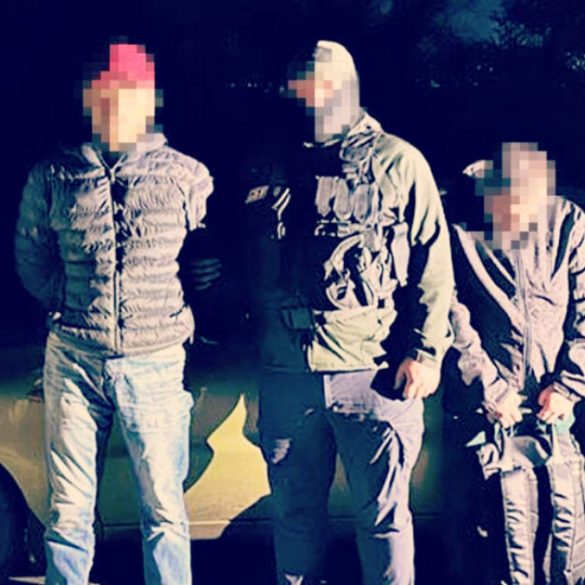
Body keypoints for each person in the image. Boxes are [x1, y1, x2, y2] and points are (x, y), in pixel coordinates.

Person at [243, 40, 453, 585]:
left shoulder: (399, 162)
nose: (313, 96)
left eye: (325, 85)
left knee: (384, 521)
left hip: (374, 375)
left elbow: (434, 265)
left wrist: (426, 352)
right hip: (287, 375)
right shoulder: (268, 163)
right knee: (294, 520)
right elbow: (244, 264)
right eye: (304, 86)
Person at [14, 42, 213, 585]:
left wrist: (191, 297)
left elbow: (210, 259)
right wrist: (68, 302)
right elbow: (31, 255)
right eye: (103, 93)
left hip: (156, 361)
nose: (115, 104)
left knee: (164, 508)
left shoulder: (188, 176)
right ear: (89, 100)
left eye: (128, 92)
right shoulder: (52, 175)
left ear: (148, 99)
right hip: (74, 360)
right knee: (68, 511)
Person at [443, 142, 585, 585]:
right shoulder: (457, 226)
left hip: (555, 402)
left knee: (564, 523)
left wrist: (570, 385)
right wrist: (491, 391)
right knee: (496, 531)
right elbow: (448, 313)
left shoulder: (569, 221)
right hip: (484, 408)